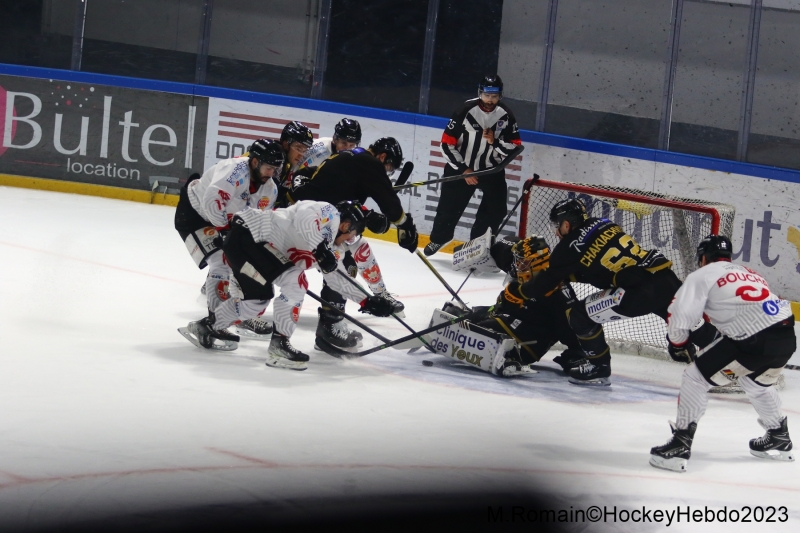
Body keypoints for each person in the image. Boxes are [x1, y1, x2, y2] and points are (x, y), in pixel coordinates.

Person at [180, 200, 395, 371]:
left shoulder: (332, 248)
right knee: (289, 284)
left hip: (261, 250)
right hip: (248, 235)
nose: (351, 239)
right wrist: (319, 249)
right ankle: (277, 344)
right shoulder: (329, 213)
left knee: (260, 300)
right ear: (346, 225)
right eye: (353, 234)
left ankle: (209, 326)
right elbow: (305, 217)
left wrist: (368, 301)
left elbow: (336, 278)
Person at [505, 198, 700, 386]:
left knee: (580, 315)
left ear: (566, 224)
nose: (556, 232)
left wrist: (519, 293)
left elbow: (544, 283)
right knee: (688, 324)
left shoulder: (567, 247)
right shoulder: (605, 223)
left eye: (557, 225)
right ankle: (714, 361)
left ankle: (599, 367)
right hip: (665, 278)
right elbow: (599, 269)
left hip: (638, 293)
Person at [649, 235, 796, 472]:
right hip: (787, 336)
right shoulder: (750, 273)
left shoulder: (701, 275)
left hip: (753, 339)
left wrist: (678, 343)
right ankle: (778, 436)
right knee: (755, 382)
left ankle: (680, 444)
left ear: (703, 258)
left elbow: (679, 315)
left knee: (695, 378)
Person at [288, 137, 419, 353]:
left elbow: (317, 180)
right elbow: (387, 199)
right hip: (311, 226)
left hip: (313, 220)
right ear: (382, 157)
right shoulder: (370, 163)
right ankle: (330, 325)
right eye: (388, 168)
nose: (386, 173)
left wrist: (367, 216)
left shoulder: (349, 157)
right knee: (341, 264)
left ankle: (337, 319)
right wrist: (404, 224)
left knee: (352, 251)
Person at [174, 138, 284, 339]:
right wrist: (226, 232)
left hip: (225, 222)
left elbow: (258, 220)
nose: (271, 174)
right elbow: (211, 202)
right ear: (255, 162)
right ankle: (215, 322)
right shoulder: (233, 171)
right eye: (269, 168)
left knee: (241, 263)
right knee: (221, 261)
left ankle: (237, 314)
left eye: (275, 169)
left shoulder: (270, 189)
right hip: (194, 215)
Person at [423, 75, 521, 256]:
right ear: (480, 93)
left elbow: (515, 146)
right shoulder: (465, 110)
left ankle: (478, 246)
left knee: (496, 210)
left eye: (494, 96)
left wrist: (495, 142)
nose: (490, 100)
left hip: (492, 170)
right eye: (487, 95)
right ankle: (440, 238)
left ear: (500, 96)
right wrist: (464, 170)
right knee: (448, 207)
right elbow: (446, 144)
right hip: (462, 167)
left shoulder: (506, 115)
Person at [471, 235, 586, 372]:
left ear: (537, 263)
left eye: (523, 262)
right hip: (514, 318)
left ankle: (510, 355)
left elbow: (572, 327)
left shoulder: (559, 292)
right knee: (475, 315)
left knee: (479, 327)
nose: (518, 266)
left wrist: (577, 354)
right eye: (518, 261)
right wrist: (484, 250)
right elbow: (505, 247)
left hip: (530, 342)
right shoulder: (528, 270)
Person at [276, 120, 314, 195]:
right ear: (285, 144)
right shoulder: (275, 161)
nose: (301, 155)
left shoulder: (287, 163)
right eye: (298, 148)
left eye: (304, 150)